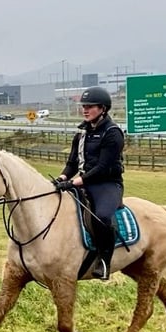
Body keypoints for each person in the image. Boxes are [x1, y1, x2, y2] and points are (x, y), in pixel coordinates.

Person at [54, 86, 125, 280]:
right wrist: (61, 178)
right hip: (83, 182)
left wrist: (76, 182)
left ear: (103, 108)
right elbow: (72, 164)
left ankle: (104, 260)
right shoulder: (81, 134)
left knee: (101, 216)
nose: (85, 109)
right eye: (84, 106)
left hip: (107, 185)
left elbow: (102, 168)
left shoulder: (113, 133)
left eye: (90, 106)